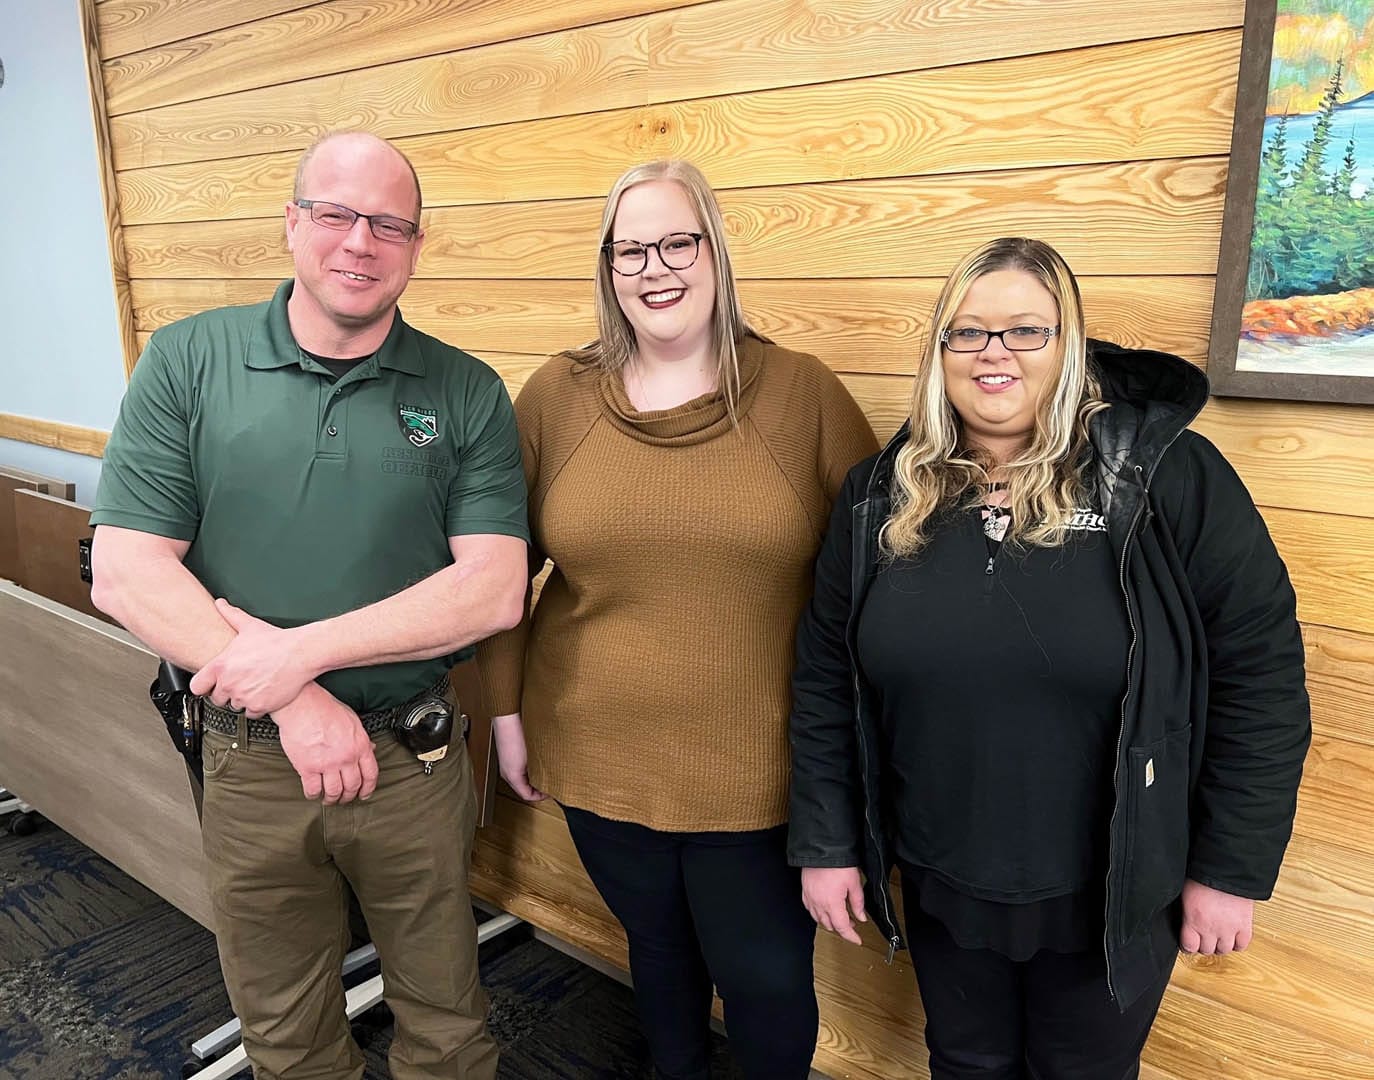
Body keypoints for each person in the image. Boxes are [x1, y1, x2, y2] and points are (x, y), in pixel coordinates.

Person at [788, 237, 1311, 1079]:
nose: (995, 352)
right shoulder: (879, 494)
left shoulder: (1162, 473)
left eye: (1026, 331)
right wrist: (828, 841)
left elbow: (1262, 676)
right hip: (940, 877)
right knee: (963, 1062)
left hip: (1112, 890)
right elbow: (823, 676)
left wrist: (1229, 869)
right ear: (939, 352)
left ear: (1070, 347)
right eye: (968, 332)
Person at [89, 131, 528, 1080]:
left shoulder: (466, 390)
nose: (358, 243)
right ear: (292, 224)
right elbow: (125, 569)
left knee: (449, 1024)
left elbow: (492, 587)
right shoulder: (188, 360)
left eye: (388, 225)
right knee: (285, 1033)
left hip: (415, 761)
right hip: (250, 760)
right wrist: (296, 698)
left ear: (416, 246)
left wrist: (297, 652)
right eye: (334, 214)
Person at [476, 159, 877, 1079]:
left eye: (676, 241)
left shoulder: (801, 395)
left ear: (715, 250)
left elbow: (874, 576)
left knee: (767, 979)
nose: (655, 268)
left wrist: (865, 757)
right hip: (598, 757)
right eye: (630, 251)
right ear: (608, 270)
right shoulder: (556, 397)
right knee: (656, 955)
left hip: (762, 774)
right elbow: (499, 574)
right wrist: (504, 716)